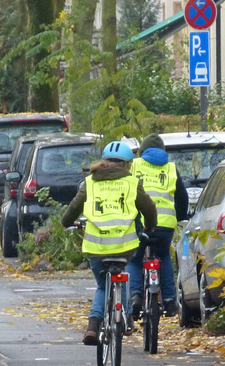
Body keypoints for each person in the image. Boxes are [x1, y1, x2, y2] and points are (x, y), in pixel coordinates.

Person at [61, 140, 157, 345]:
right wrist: (149, 226)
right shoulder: (131, 183)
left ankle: (93, 326)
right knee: (123, 272)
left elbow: (71, 212)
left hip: (96, 247)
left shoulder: (90, 182)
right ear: (128, 165)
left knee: (103, 286)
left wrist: (67, 223)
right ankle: (127, 316)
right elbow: (149, 209)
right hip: (125, 245)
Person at [126, 133, 189, 318]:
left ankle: (135, 295)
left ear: (142, 151)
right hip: (165, 225)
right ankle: (170, 301)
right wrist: (180, 217)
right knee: (163, 257)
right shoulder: (171, 168)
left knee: (135, 259)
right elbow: (182, 197)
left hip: (139, 224)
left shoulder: (135, 165)